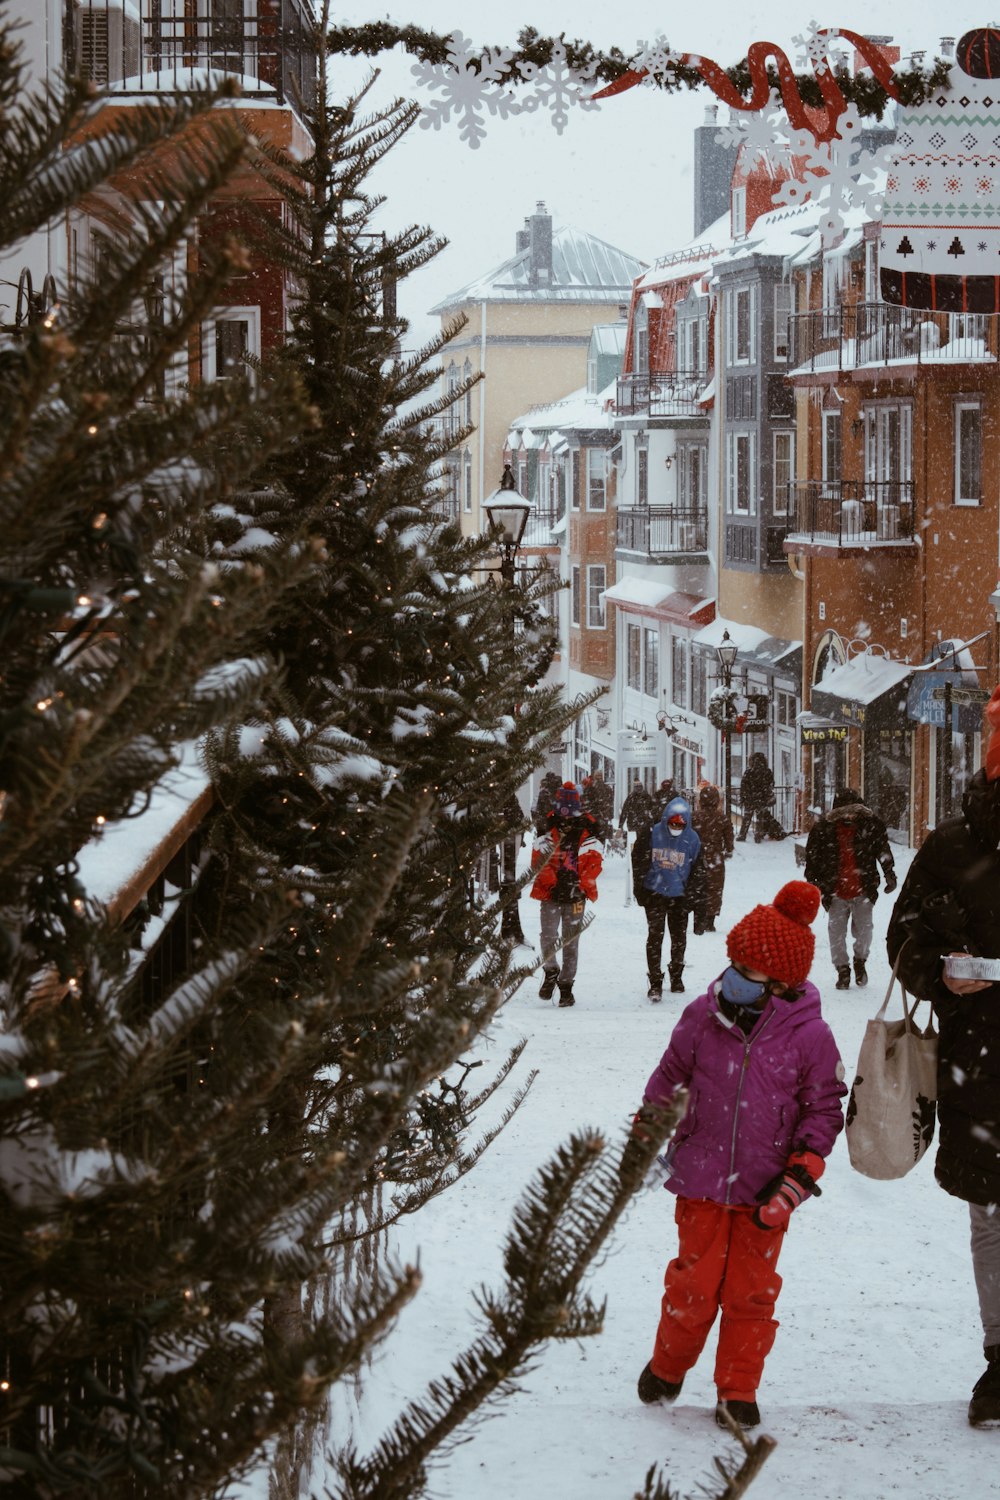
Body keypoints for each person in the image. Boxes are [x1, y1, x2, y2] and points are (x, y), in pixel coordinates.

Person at [624, 880, 846, 1430]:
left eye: (750, 973)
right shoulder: (703, 1016)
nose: (735, 980)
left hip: (766, 1193)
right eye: (735, 966)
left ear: (780, 984)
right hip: (700, 1179)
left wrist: (799, 1177)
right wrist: (647, 1137)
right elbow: (669, 1078)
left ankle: (737, 1391)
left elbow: (824, 1110)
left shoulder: (810, 1036)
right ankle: (669, 1368)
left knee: (751, 1294)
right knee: (692, 1285)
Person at [886, 684, 1000, 1427]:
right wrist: (941, 973)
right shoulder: (952, 847)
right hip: (981, 1065)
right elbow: (903, 938)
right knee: (991, 1218)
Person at [804, 786, 896, 989]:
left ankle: (860, 961)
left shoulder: (870, 827)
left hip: (863, 889)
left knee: (865, 931)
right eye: (845, 812)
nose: (849, 815)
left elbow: (882, 849)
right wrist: (814, 883)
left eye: (853, 811)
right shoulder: (823, 831)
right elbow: (813, 858)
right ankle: (842, 970)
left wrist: (889, 873)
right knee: (836, 933)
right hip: (835, 891)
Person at [529, 781, 603, 1008]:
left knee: (571, 942)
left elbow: (595, 860)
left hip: (576, 895)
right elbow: (537, 860)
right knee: (548, 936)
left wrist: (580, 883)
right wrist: (552, 880)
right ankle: (551, 971)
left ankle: (566, 986)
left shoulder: (589, 829)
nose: (567, 819)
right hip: (550, 893)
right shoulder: (546, 826)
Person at [631, 795, 701, 999]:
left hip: (679, 896)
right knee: (655, 936)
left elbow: (699, 871)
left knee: (679, 938)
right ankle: (655, 980)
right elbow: (638, 860)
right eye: (672, 823)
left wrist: (694, 899)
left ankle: (676, 975)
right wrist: (640, 889)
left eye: (680, 824)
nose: (676, 827)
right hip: (655, 893)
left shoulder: (693, 840)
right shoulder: (652, 834)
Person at [690, 784, 734, 934]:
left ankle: (698, 917)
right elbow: (729, 841)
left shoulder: (693, 817)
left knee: (698, 886)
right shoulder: (722, 819)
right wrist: (728, 850)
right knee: (714, 888)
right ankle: (710, 920)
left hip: (697, 856)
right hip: (715, 857)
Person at [737, 752, 775, 842]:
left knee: (747, 818)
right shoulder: (767, 772)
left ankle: (742, 835)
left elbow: (743, 787)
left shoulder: (749, 772)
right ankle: (758, 836)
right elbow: (771, 785)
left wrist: (743, 798)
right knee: (760, 818)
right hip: (762, 799)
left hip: (750, 799)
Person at [582, 771, 614, 842]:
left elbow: (586, 802)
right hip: (602, 817)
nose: (599, 778)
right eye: (598, 776)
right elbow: (610, 803)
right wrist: (609, 815)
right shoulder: (607, 788)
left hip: (593, 817)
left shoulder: (590, 788)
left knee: (591, 838)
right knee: (600, 838)